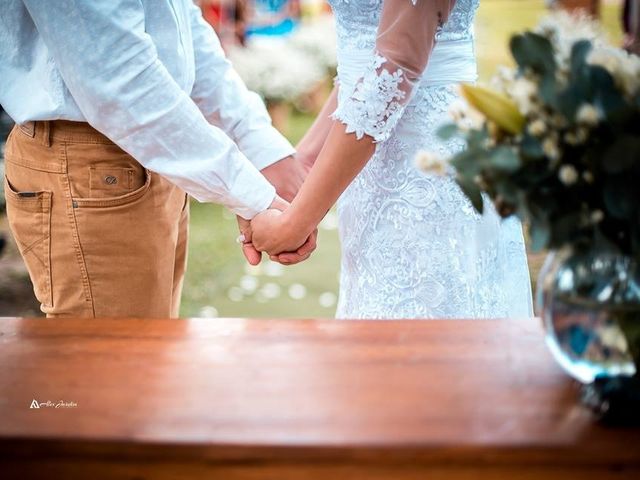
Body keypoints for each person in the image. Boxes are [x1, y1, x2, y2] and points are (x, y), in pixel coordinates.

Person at [0, 0, 314, 318]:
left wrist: (261, 147)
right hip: (96, 158)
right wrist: (253, 196)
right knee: (113, 360)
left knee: (151, 351)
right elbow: (117, 77)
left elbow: (179, 23)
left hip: (160, 145)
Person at [247, 0, 534, 319]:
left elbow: (393, 70)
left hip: (430, 170)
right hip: (367, 170)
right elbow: (364, 62)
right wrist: (303, 164)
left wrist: (295, 222)